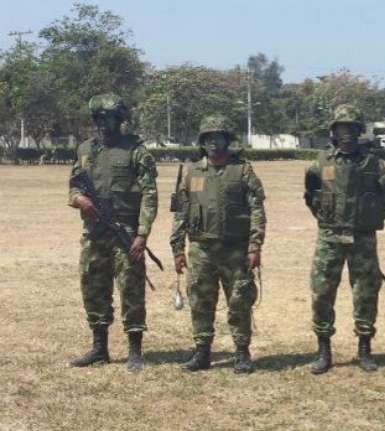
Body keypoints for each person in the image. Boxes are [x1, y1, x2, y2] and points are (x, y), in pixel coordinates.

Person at [303, 104, 385, 374]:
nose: (346, 135)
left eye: (351, 129)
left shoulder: (373, 163)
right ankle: (323, 350)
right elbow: (310, 195)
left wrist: (373, 218)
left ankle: (365, 348)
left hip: (362, 238)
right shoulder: (321, 163)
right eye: (341, 129)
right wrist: (324, 219)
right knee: (322, 293)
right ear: (333, 132)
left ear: (358, 132)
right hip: (329, 237)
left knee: (366, 292)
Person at [170, 115, 266, 374]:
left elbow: (257, 209)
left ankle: (242, 353)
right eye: (209, 138)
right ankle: (202, 352)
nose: (214, 143)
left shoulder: (242, 171)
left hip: (235, 249)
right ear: (202, 142)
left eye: (219, 137)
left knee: (239, 302)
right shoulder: (192, 173)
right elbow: (180, 213)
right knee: (200, 302)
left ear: (227, 140)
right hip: (201, 250)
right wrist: (177, 249)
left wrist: (255, 246)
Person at [68, 93, 158, 372]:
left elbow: (150, 195)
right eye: (98, 119)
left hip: (126, 233)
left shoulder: (136, 151)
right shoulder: (85, 150)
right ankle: (99, 348)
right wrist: (79, 200)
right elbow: (73, 186)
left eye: (107, 118)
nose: (102, 124)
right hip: (94, 233)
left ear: (120, 120)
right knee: (93, 289)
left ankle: (134, 351)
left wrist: (142, 234)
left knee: (131, 291)